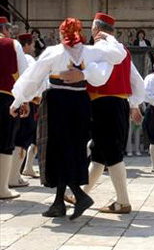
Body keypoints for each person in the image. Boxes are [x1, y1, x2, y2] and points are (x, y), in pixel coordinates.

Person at [11, 17, 127, 219]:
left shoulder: (54, 52)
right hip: (81, 103)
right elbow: (118, 55)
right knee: (72, 148)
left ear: (61, 33)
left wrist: (18, 101)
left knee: (57, 150)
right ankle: (58, 203)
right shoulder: (91, 51)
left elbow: (32, 78)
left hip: (57, 102)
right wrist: (107, 39)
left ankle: (80, 196)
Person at [64, 13, 145, 214]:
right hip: (118, 104)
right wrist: (134, 104)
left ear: (95, 28)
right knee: (99, 153)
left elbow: (99, 78)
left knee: (110, 151)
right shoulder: (123, 50)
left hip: (103, 104)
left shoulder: (101, 48)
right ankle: (80, 194)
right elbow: (137, 81)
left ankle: (123, 202)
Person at [0, 17, 30, 200]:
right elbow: (24, 74)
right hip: (5, 97)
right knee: (5, 142)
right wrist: (24, 100)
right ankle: (2, 189)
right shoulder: (12, 44)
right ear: (5, 29)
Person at [9, 34, 41, 186]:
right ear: (26, 45)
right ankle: (14, 176)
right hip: (25, 101)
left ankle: (12, 175)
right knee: (22, 139)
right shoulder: (27, 59)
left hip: (11, 100)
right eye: (32, 45)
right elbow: (33, 81)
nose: (33, 48)